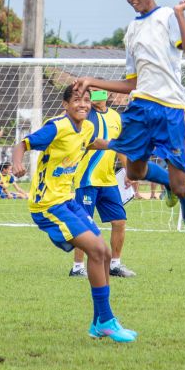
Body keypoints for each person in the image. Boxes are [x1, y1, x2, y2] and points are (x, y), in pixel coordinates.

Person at [69, 0, 185, 238]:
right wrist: (93, 81)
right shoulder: (131, 30)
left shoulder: (167, 16)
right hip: (141, 106)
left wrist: (180, 13)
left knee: (181, 187)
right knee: (134, 170)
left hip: (172, 110)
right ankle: (165, 181)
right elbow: (132, 83)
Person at [11, 85, 136, 341]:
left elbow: (93, 142)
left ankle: (98, 323)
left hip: (68, 200)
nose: (83, 104)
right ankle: (106, 321)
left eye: (87, 100)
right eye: (77, 100)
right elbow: (21, 145)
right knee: (98, 251)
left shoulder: (87, 127)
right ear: (65, 105)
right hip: (48, 205)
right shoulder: (56, 127)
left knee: (103, 253)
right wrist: (17, 164)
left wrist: (121, 145)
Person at [69, 89, 133, 278]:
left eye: (100, 92)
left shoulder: (116, 117)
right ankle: (78, 267)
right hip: (87, 178)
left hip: (108, 180)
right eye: (93, 93)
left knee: (119, 221)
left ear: (107, 95)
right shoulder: (85, 115)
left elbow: (120, 145)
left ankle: (115, 264)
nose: (97, 96)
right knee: (84, 224)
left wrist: (128, 170)